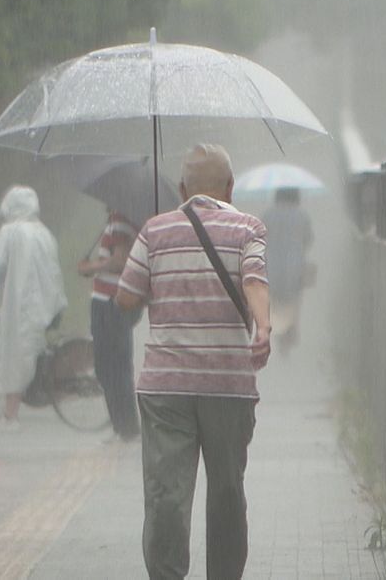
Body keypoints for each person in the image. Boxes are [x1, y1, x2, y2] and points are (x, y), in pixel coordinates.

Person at [115, 144, 272, 580]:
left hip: (166, 387)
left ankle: (166, 573)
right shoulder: (247, 228)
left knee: (167, 494)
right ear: (230, 187)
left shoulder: (154, 230)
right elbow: (255, 278)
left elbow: (126, 297)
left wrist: (158, 271)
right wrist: (264, 327)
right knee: (226, 493)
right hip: (228, 385)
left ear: (181, 188)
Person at [0, 185, 67, 429]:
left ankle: (11, 416)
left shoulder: (11, 232)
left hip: (19, 305)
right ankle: (13, 410)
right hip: (45, 303)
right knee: (26, 353)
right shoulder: (43, 232)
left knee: (14, 355)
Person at [77, 209, 141, 442]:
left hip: (110, 302)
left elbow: (120, 260)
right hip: (113, 301)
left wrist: (90, 268)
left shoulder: (121, 220)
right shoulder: (118, 220)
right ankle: (123, 425)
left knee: (110, 367)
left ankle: (125, 426)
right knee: (114, 366)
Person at [260, 187, 313, 355]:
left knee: (274, 304)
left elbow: (259, 237)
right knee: (293, 304)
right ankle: (289, 337)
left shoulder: (268, 214)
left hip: (271, 267)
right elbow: (308, 239)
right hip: (294, 267)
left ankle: (278, 334)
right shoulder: (302, 215)